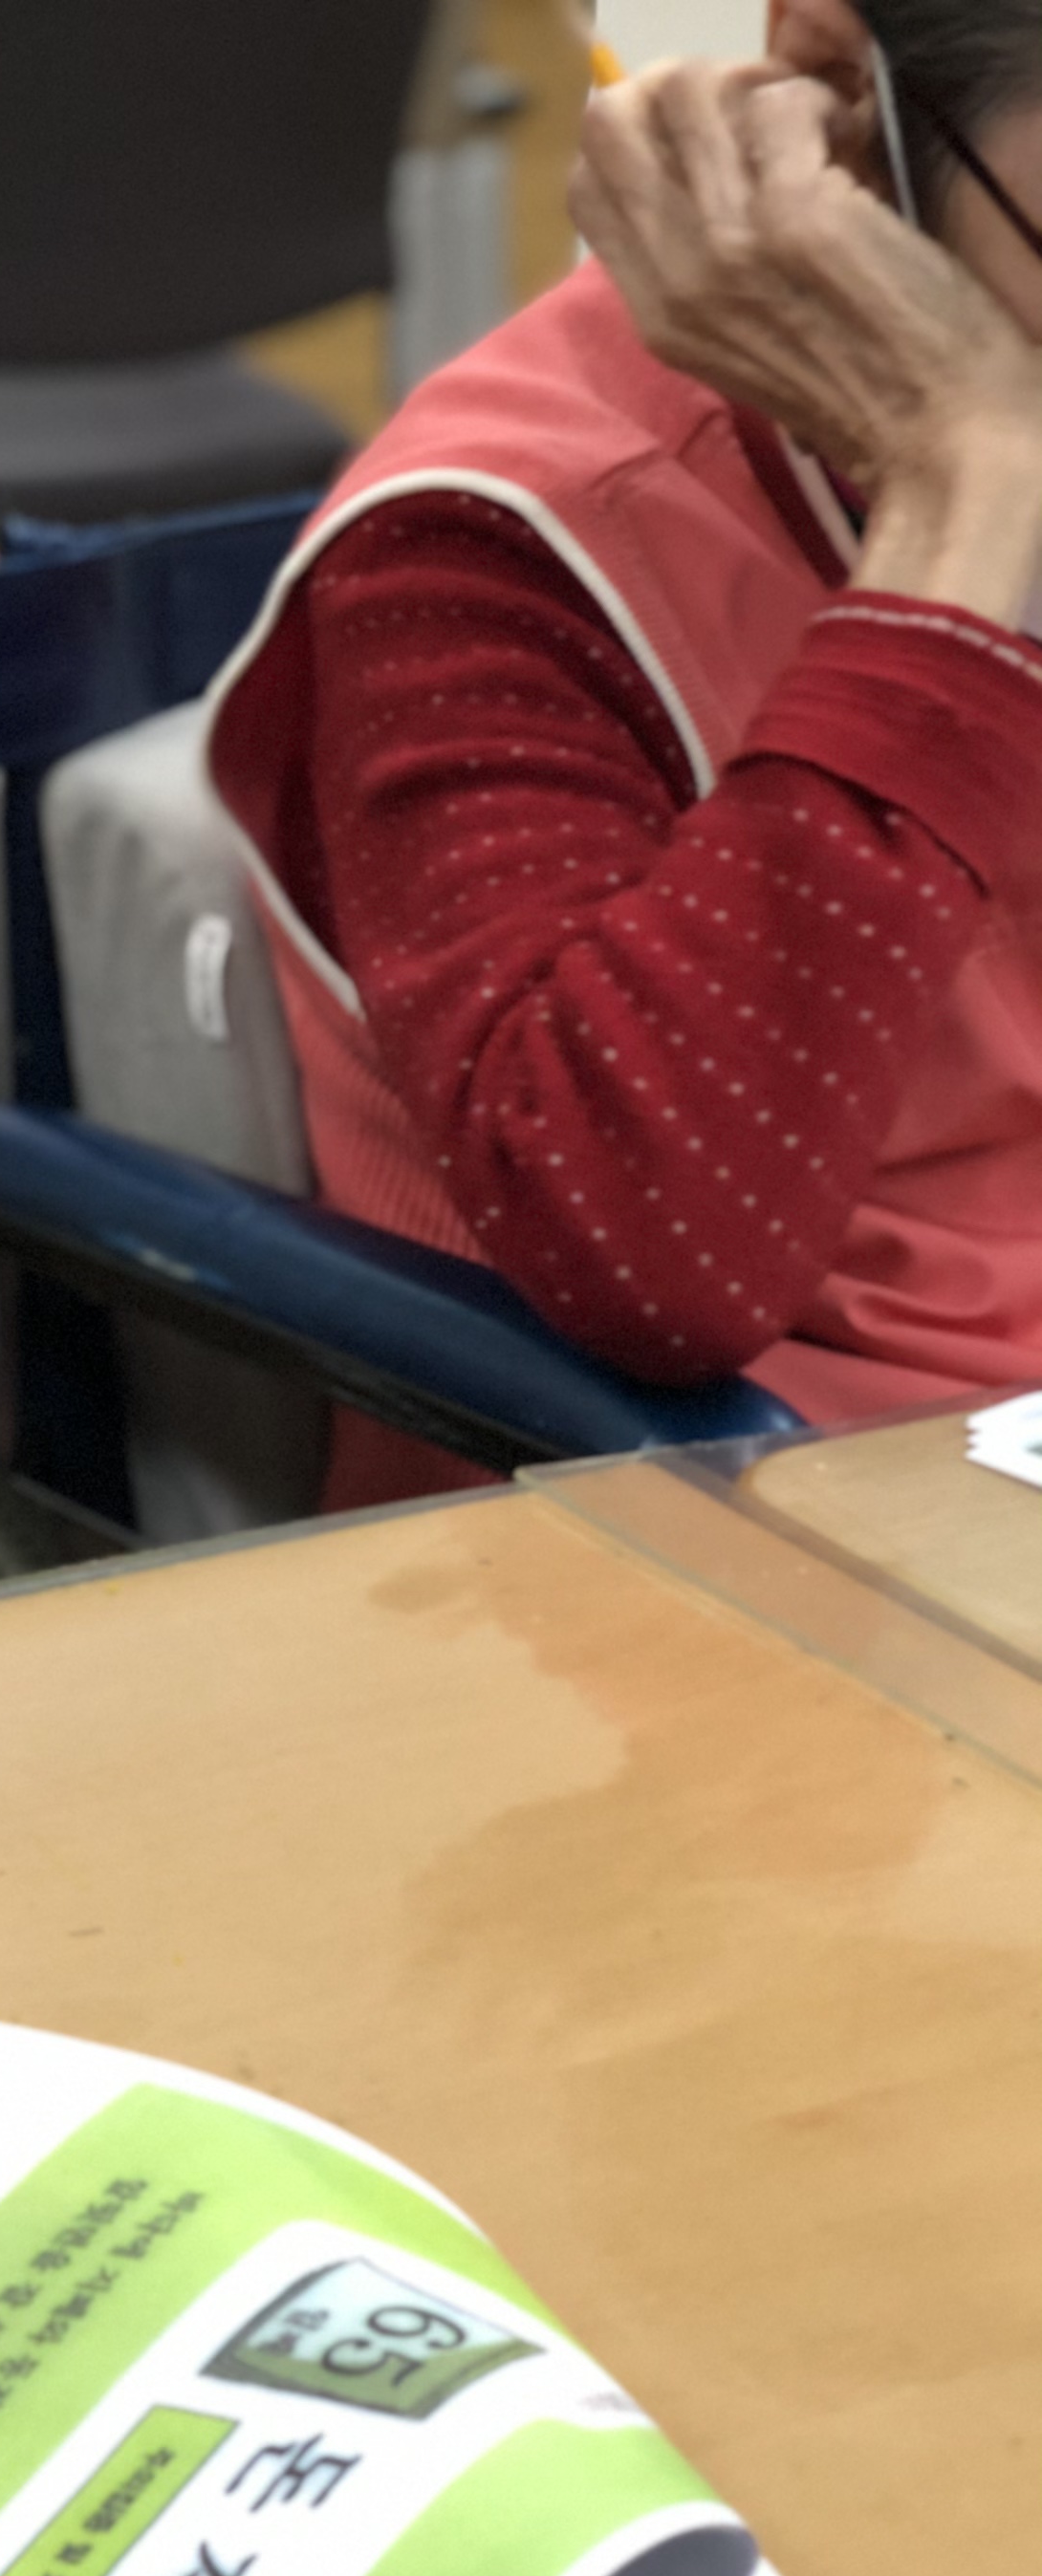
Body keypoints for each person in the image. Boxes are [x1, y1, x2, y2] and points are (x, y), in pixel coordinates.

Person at [208, 0, 1042, 1504]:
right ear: (845, 100)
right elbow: (664, 1262)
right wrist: (964, 494)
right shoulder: (490, 540)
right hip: (771, 1509)